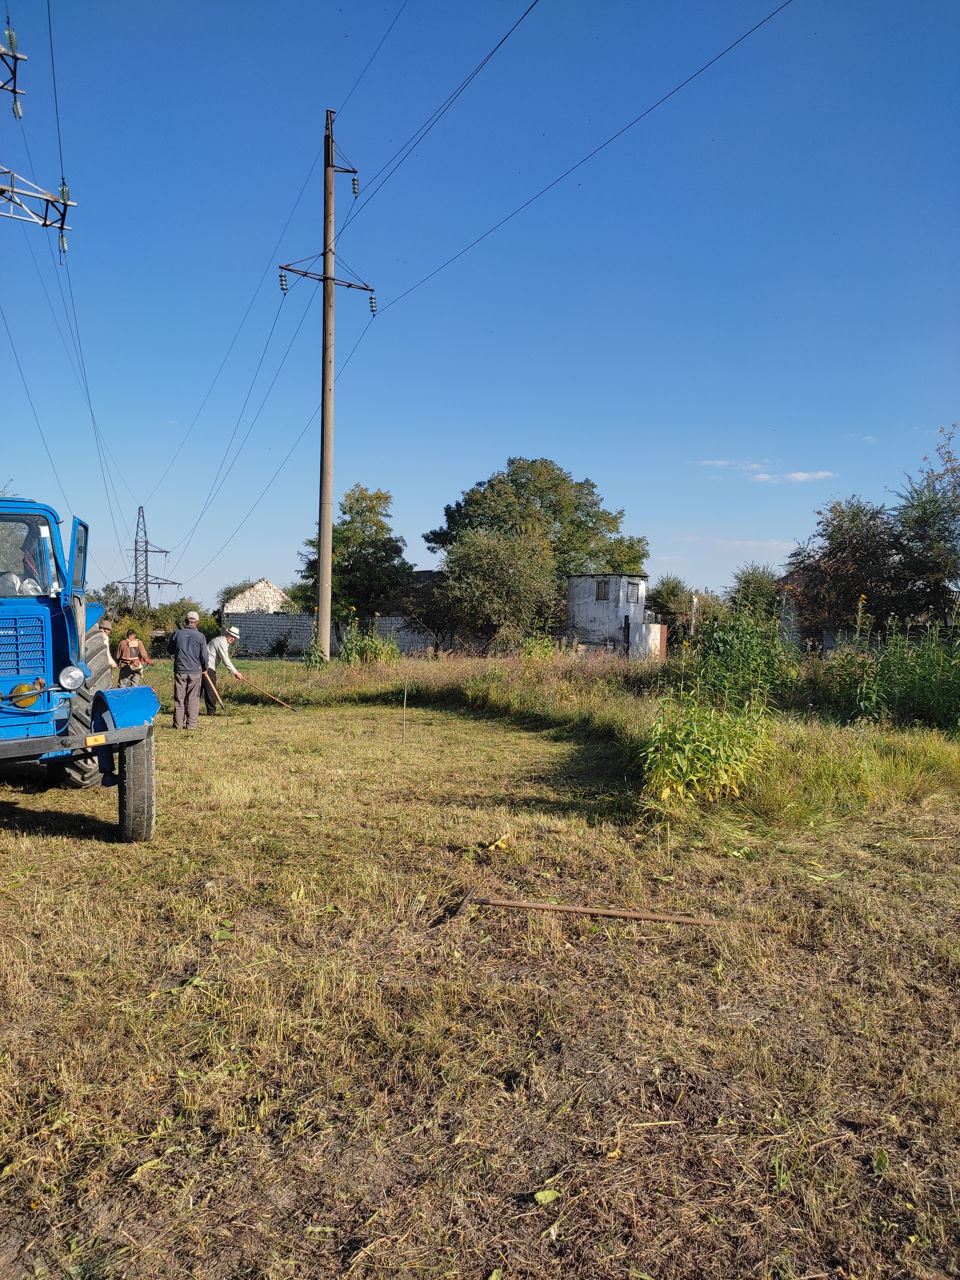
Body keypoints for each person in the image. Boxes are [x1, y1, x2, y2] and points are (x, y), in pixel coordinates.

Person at [167, 611, 209, 729]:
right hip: (195, 671)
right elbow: (204, 656)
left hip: (180, 669)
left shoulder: (177, 634)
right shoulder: (201, 636)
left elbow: (169, 650)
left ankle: (178, 724)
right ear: (197, 622)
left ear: (186, 621)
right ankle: (191, 725)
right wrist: (205, 668)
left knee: (179, 698)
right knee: (193, 698)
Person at [202, 625, 244, 716]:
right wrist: (235, 672)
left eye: (234, 637)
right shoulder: (221, 642)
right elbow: (225, 659)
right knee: (211, 690)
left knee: (204, 689)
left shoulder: (223, 642)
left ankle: (192, 710)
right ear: (227, 634)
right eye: (232, 636)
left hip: (205, 666)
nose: (233, 639)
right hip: (207, 666)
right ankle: (211, 712)